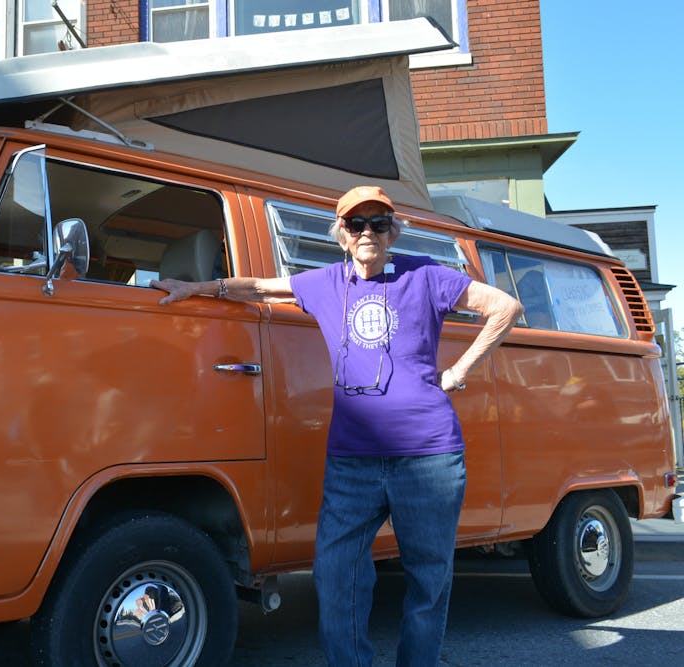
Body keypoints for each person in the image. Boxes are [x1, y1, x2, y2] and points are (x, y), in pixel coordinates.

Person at [152, 185, 523, 667]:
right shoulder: (326, 282)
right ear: (342, 235)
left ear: (393, 232)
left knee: (429, 580)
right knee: (335, 575)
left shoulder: (428, 276)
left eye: (379, 223)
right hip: (353, 461)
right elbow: (260, 288)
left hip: (428, 457)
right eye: (356, 224)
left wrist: (459, 372)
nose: (368, 231)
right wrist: (196, 289)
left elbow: (505, 308)